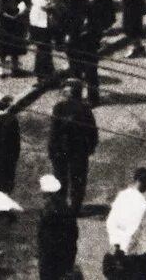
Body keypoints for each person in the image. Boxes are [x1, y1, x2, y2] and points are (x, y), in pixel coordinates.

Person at [47, 78, 99, 213]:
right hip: (79, 150)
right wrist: (91, 147)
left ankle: (60, 206)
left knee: (60, 177)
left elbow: (54, 131)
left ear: (68, 92)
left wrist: (51, 149)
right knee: (78, 179)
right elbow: (92, 130)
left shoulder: (59, 108)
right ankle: (76, 207)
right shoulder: (85, 109)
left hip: (61, 149)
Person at [105, 168, 146, 279]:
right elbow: (133, 230)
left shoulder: (122, 195)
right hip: (136, 255)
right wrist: (123, 250)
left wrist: (115, 245)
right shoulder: (141, 202)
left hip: (116, 250)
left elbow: (110, 222)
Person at [36, 173, 78, 280]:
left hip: (50, 253)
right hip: (65, 252)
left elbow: (42, 234)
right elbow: (74, 233)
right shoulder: (66, 208)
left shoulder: (48, 211)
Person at [0, 0, 28, 76]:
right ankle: (2, 70)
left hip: (14, 24)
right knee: (2, 50)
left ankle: (15, 68)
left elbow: (21, 3)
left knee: (14, 48)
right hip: (4, 25)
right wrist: (12, 17)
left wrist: (20, 11)